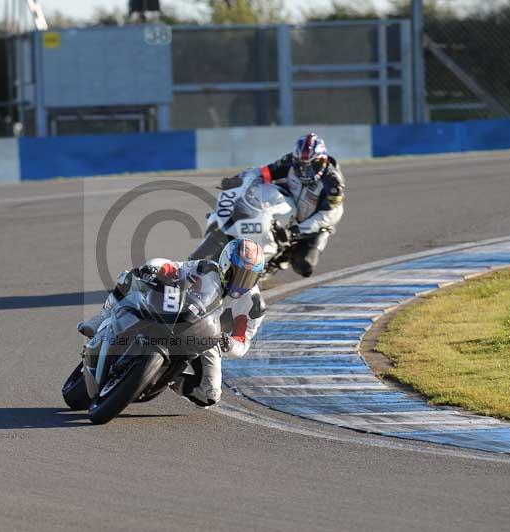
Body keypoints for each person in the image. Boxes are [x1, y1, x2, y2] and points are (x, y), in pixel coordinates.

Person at [77, 238, 267, 407]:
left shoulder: (254, 304)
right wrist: (154, 268)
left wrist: (230, 343)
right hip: (178, 310)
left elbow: (243, 343)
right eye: (238, 274)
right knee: (132, 277)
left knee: (210, 394)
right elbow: (174, 268)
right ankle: (103, 316)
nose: (241, 282)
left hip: (209, 338)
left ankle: (166, 378)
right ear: (226, 264)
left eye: (248, 277)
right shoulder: (207, 268)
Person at [221, 132, 345, 278]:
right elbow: (265, 171)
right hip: (286, 205)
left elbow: (328, 216)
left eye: (311, 166)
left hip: (313, 223)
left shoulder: (333, 184)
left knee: (304, 265)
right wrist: (240, 178)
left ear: (322, 161)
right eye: (300, 165)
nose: (304, 171)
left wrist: (296, 231)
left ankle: (273, 262)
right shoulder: (290, 161)